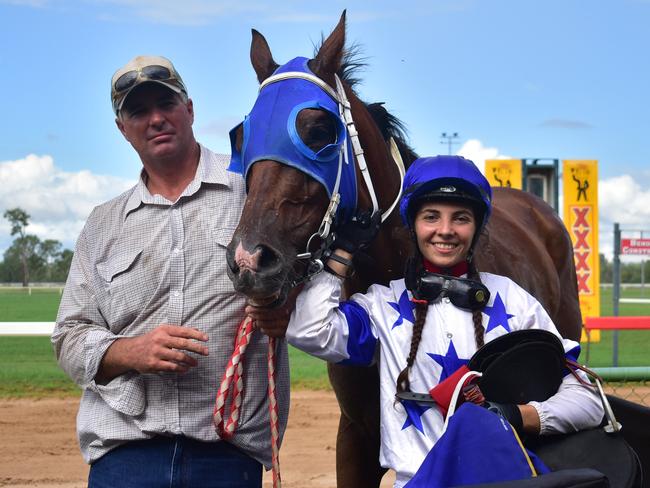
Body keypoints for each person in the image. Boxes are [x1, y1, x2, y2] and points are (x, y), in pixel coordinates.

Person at [286, 155, 604, 487]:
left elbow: (588, 398)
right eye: (431, 217)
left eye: (461, 218)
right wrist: (340, 255)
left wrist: (516, 416)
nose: (446, 231)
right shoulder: (381, 305)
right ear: (413, 226)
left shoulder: (513, 299)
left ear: (477, 226)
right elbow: (308, 330)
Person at [52, 55, 291, 488]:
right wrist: (130, 352)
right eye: (138, 111)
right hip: (124, 456)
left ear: (191, 109)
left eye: (166, 103)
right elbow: (69, 335)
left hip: (226, 457)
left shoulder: (253, 190)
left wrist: (285, 308)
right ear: (123, 129)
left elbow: (308, 269)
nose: (156, 118)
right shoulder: (103, 223)